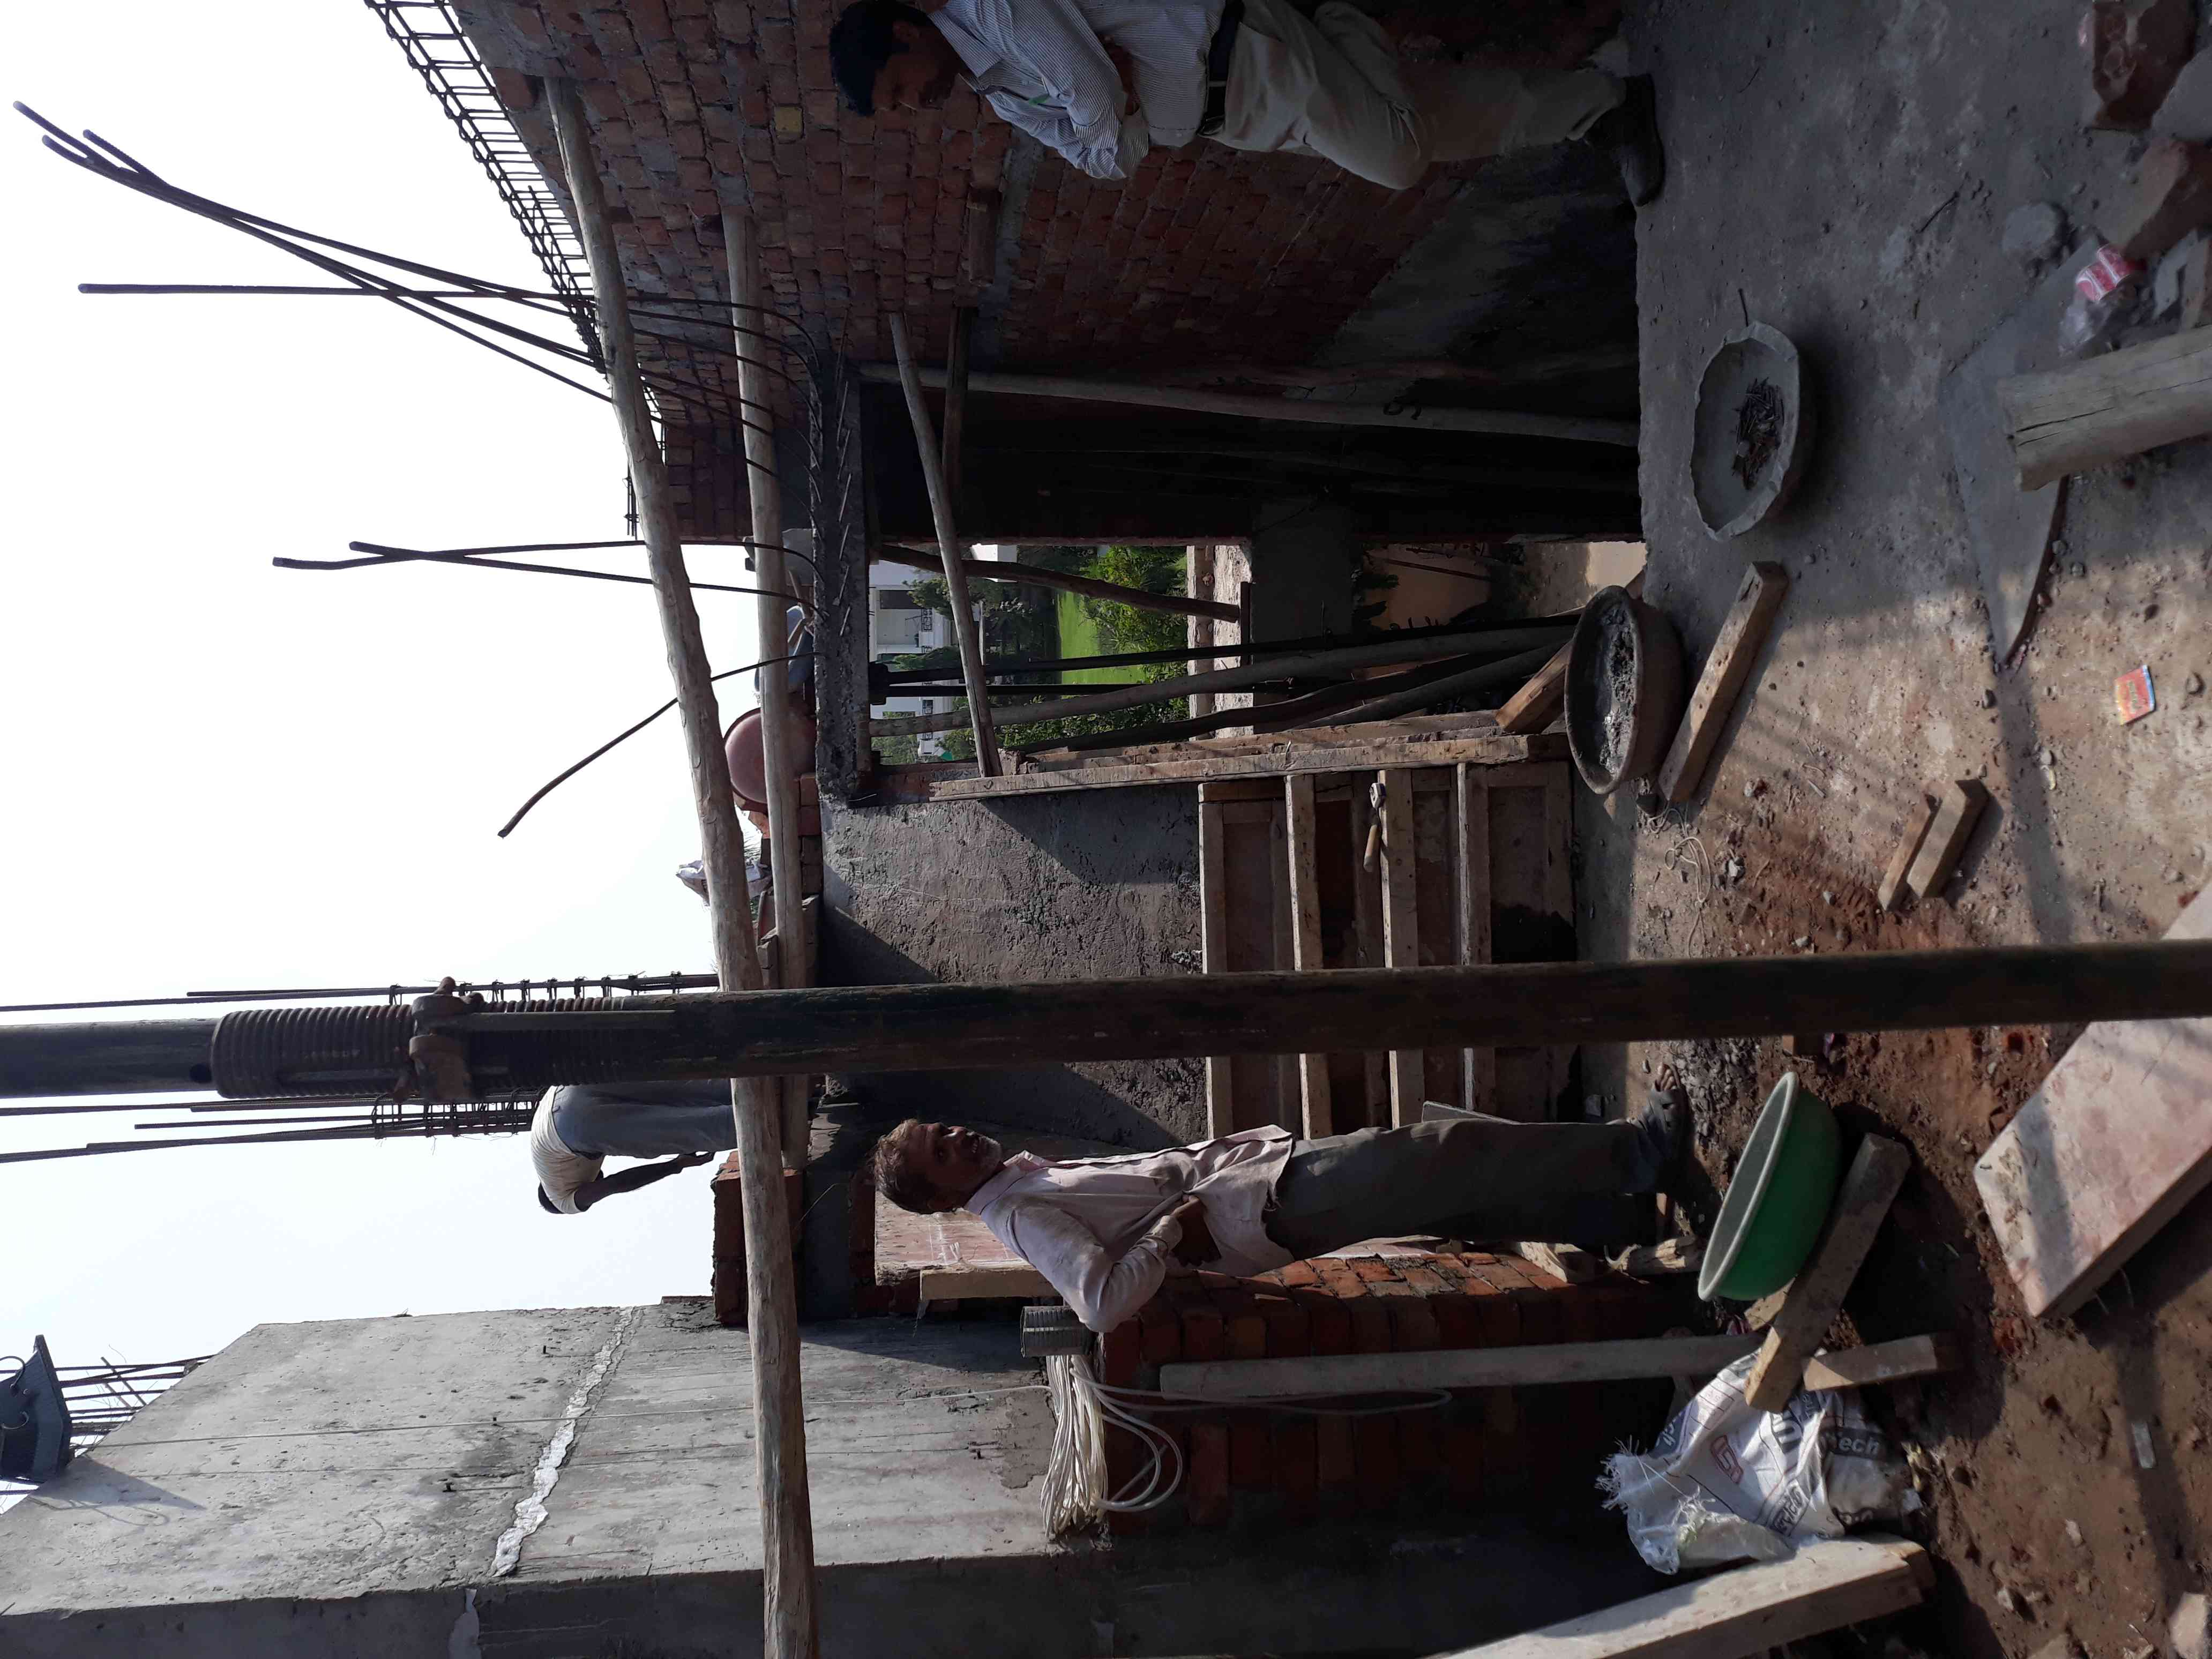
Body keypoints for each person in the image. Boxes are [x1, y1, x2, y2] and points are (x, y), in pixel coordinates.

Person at [866, 1097, 1686, 1330]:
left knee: (1450, 1187)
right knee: (1444, 1153)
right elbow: (1101, 1303)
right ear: (942, 1197)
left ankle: (1621, 1223)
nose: (958, 1136)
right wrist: (1170, 1234)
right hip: (1263, 1208)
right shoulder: (1020, 1217)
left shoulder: (1019, 1178)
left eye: (945, 1129)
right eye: (944, 1151)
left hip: (1260, 1187)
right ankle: (1639, 1154)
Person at [827, 0, 1662, 201]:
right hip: (1233, 116)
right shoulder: (997, 89)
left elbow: (1091, 93)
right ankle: (1599, 104)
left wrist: (1108, 109)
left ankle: (1338, 17)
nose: (918, 103)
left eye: (901, 89)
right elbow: (1098, 157)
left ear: (904, 33)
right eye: (901, 108)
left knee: (1399, 158)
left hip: (1250, 52)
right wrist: (1110, 112)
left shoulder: (993, 12)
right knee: (1430, 121)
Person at [532, 1080, 735, 1215]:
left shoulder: (560, 1200)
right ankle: (750, 1078)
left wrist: (676, 1165)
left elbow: (613, 1184)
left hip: (573, 1126)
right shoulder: (547, 1157)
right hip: (569, 1087)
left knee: (687, 1129)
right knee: (687, 1090)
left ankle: (752, 1120)